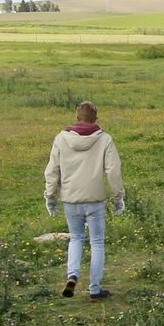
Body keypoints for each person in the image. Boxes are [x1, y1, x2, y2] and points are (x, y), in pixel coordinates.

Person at [44, 100, 125, 300]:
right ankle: (95, 288)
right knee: (97, 242)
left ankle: (72, 275)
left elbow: (52, 169)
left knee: (76, 238)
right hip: (95, 199)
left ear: (77, 117)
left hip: (70, 199)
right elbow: (113, 171)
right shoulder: (104, 139)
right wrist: (118, 196)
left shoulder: (61, 138)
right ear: (95, 118)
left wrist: (50, 195)